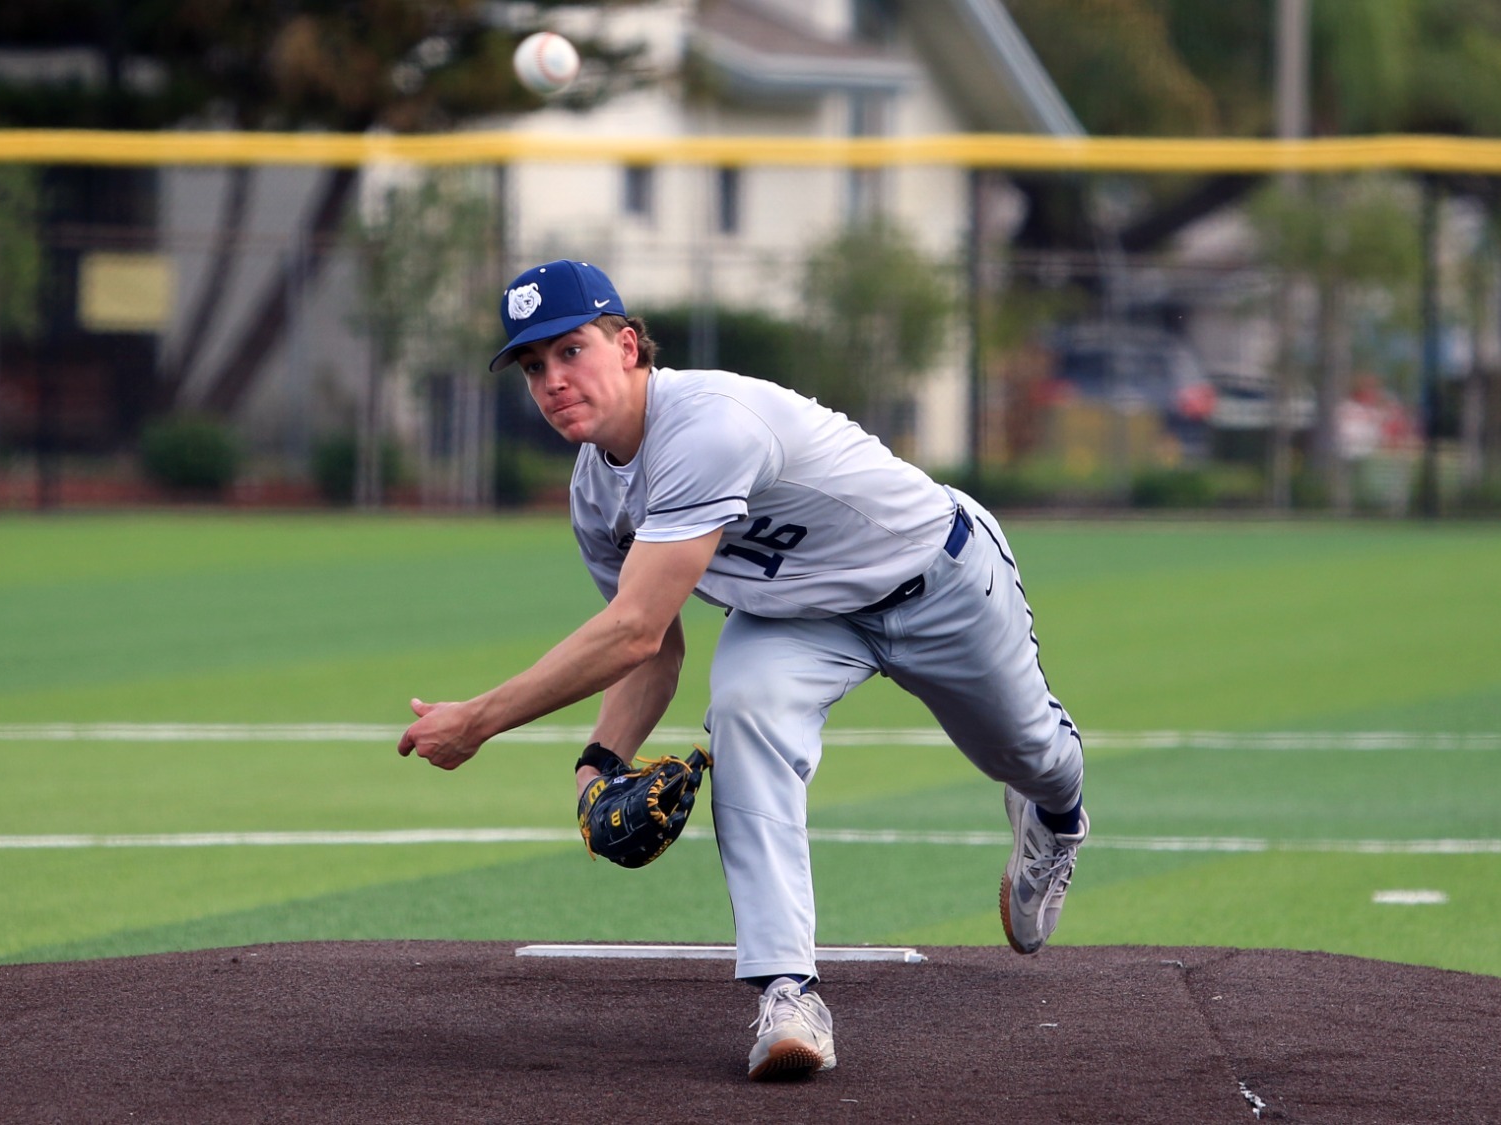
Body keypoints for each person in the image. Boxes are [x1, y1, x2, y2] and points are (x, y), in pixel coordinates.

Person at [398, 259, 1088, 1081]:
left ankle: (1056, 813)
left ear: (626, 346)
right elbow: (655, 650)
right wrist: (598, 767)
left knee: (1029, 752)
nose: (552, 380)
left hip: (937, 580)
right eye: (533, 367)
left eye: (569, 350)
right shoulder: (595, 492)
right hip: (795, 618)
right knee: (744, 714)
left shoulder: (706, 425)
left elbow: (629, 630)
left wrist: (476, 720)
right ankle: (788, 990)